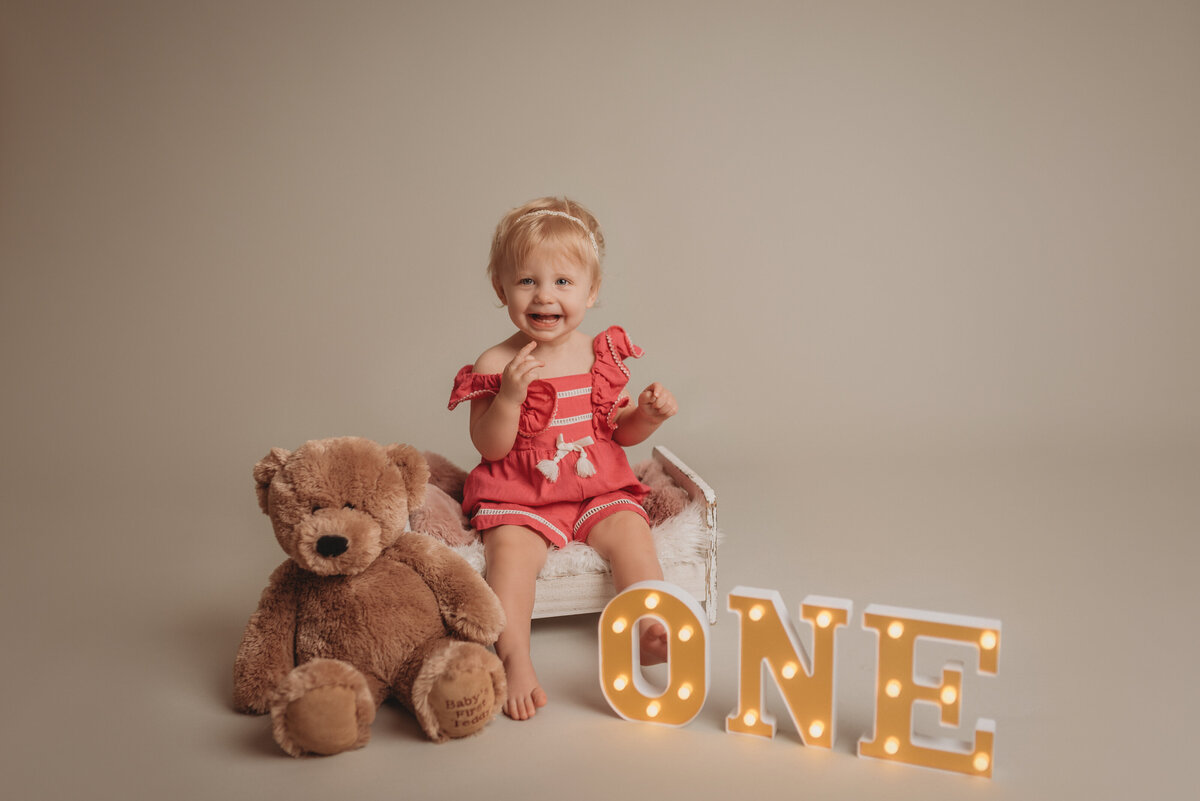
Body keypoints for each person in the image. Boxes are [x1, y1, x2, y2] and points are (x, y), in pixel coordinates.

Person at [448, 197, 678, 721]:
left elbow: (616, 433)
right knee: (510, 555)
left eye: (563, 283)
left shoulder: (598, 355)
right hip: (523, 490)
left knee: (631, 532)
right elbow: (490, 448)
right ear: (500, 289)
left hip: (595, 485)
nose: (544, 296)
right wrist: (508, 397)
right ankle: (515, 658)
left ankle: (648, 623)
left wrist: (649, 416)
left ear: (591, 291)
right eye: (527, 281)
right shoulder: (498, 362)